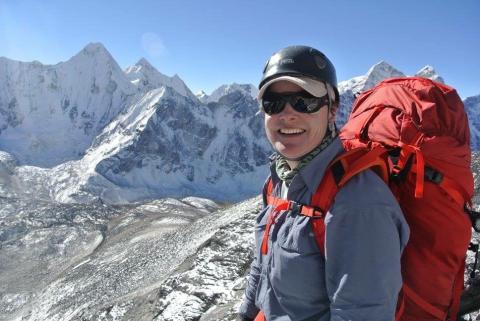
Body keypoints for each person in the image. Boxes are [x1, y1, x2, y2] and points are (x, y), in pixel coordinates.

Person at [238, 45, 410, 321]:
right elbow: (263, 262)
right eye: (273, 102)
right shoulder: (280, 179)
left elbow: (362, 314)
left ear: (333, 110)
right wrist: (246, 315)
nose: (288, 113)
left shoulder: (358, 204)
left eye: (305, 100)